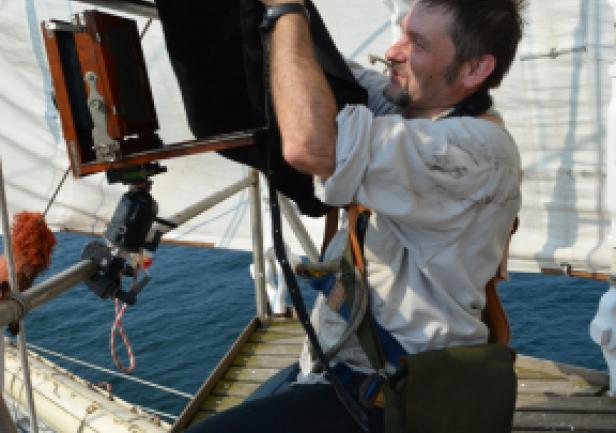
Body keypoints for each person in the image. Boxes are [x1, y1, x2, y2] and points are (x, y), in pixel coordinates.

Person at [185, 0, 524, 431]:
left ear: (475, 69)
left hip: (392, 397)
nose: (393, 51)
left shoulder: (475, 150)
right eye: (402, 35)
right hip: (340, 368)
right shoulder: (411, 111)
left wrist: (286, 7)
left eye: (417, 44)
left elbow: (310, 146)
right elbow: (318, 77)